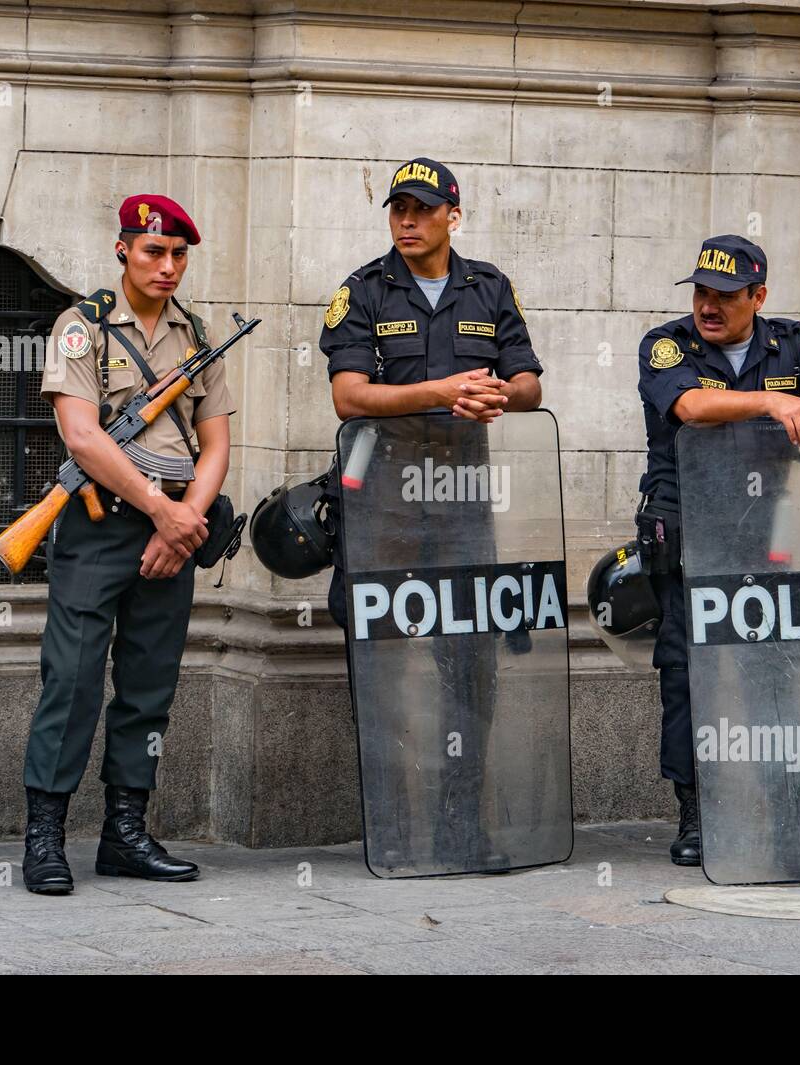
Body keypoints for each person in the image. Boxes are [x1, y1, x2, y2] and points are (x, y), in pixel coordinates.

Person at [318, 157, 543, 871]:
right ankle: (391, 826)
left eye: (420, 209)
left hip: (462, 507)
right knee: (380, 669)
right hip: (382, 505)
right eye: (397, 210)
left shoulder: (490, 286)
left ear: (453, 213)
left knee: (470, 667)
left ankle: (460, 828)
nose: (407, 221)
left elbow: (529, 381)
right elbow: (350, 396)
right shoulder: (363, 290)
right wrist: (440, 390)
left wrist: (497, 397)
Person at [21, 194, 235, 894]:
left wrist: (187, 518)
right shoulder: (82, 327)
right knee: (74, 680)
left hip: (173, 528)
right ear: (122, 250)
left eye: (178, 254)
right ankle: (45, 838)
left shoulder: (198, 335)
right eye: (153, 251)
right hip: (99, 523)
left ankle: (125, 833)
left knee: (148, 687)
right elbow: (81, 435)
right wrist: (157, 509)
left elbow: (217, 441)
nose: (167, 265)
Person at [636, 234, 800, 866]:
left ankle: (786, 805)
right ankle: (697, 814)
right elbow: (689, 405)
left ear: (758, 296)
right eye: (702, 293)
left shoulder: (791, 341)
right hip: (684, 528)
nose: (709, 307)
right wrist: (773, 400)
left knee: (774, 671)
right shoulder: (667, 344)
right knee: (688, 672)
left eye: (726, 296)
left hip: (763, 530)